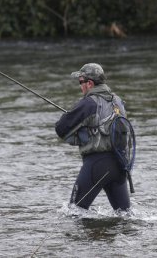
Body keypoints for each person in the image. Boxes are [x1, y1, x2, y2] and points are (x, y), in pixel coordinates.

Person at [55, 63, 130, 211]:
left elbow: (61, 128)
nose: (80, 86)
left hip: (97, 165)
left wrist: (73, 121)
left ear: (89, 83)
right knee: (125, 218)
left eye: (80, 82)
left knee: (73, 212)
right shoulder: (118, 101)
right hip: (120, 166)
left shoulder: (89, 103)